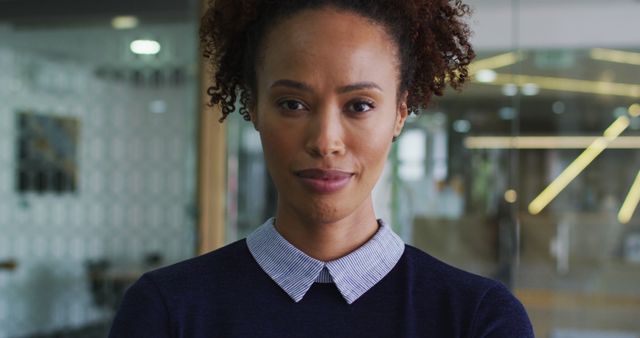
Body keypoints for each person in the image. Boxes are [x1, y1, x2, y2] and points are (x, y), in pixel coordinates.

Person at [109, 0, 535, 337]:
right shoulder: (167, 311)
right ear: (253, 107)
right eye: (293, 104)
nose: (325, 141)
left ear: (400, 113)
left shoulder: (478, 320)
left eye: (360, 106)